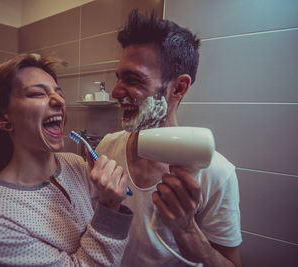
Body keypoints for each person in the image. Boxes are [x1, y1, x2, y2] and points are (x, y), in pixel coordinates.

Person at [0, 53, 133, 266]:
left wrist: (108, 201)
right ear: (4, 118)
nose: (59, 100)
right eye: (37, 94)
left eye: (59, 93)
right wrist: (110, 207)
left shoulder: (76, 164)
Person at [95, 10, 242, 266]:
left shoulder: (216, 173)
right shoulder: (107, 147)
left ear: (178, 88)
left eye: (133, 79)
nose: (116, 92)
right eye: (118, 78)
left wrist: (186, 231)